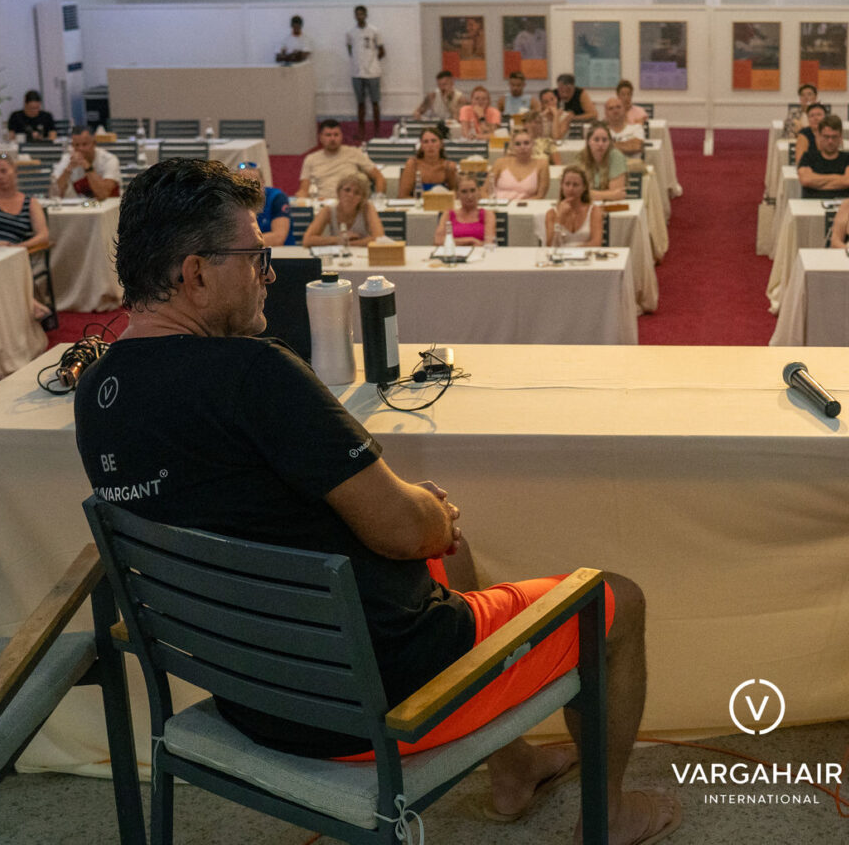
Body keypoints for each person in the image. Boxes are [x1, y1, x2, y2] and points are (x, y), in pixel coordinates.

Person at [72, 158, 678, 845]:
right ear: (196, 274)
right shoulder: (256, 374)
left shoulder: (95, 392)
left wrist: (422, 526)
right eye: (256, 258)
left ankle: (513, 770)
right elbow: (404, 532)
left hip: (249, 692)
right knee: (617, 600)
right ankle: (609, 818)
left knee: (454, 558)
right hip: (370, 702)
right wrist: (431, 513)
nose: (269, 275)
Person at [297, 119, 384, 200]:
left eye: (336, 135)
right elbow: (304, 190)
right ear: (320, 137)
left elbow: (378, 177)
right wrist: (302, 197)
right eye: (328, 135)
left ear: (341, 136)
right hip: (323, 203)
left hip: (351, 202)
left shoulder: (354, 153)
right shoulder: (311, 159)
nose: (332, 139)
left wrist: (379, 198)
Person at [304, 174, 385, 248]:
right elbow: (307, 240)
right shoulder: (328, 210)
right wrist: (338, 239)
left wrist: (347, 243)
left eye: (357, 193)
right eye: (347, 190)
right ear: (338, 192)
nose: (350, 195)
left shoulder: (367, 208)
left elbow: (379, 238)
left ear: (362, 198)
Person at [796, 115, 849, 200]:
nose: (830, 141)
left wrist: (816, 181)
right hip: (811, 203)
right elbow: (806, 180)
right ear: (819, 137)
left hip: (842, 204)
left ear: (840, 137)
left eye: (834, 137)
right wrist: (840, 179)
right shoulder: (808, 157)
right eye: (826, 137)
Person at [346, 5, 385, 141]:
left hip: (373, 73)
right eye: (357, 14)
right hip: (357, 73)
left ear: (366, 15)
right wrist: (359, 63)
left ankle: (377, 131)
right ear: (354, 16)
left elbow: (382, 51)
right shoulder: (350, 33)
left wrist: (372, 62)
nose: (359, 16)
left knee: (375, 102)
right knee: (360, 103)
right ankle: (361, 131)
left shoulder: (374, 31)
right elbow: (350, 50)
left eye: (362, 14)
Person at [52, 126, 122, 200]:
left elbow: (103, 194)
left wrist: (88, 167)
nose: (80, 149)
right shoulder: (67, 159)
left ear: (94, 143)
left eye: (85, 144)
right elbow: (54, 194)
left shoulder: (109, 159)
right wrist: (68, 170)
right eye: (76, 145)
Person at [546, 165, 605, 248]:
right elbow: (550, 245)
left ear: (584, 187)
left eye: (575, 185)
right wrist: (559, 218)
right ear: (562, 186)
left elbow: (596, 243)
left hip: (586, 254)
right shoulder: (551, 213)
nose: (571, 188)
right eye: (567, 184)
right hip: (560, 255)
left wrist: (572, 251)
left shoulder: (594, 211)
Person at [398, 125, 461, 199]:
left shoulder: (449, 167)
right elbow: (402, 196)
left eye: (433, 141)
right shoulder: (413, 164)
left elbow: (457, 195)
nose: (430, 145)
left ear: (441, 144)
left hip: (442, 204)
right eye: (426, 142)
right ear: (421, 145)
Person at [489, 130, 550, 201]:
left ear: (533, 145)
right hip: (499, 204)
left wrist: (517, 204)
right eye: (518, 144)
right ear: (512, 147)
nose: (522, 147)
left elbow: (540, 196)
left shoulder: (542, 164)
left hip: (526, 206)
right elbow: (485, 190)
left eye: (526, 143)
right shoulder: (500, 162)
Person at [575, 124, 628, 202]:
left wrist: (588, 194)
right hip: (586, 204)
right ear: (588, 141)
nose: (600, 144)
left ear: (609, 142)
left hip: (611, 204)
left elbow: (617, 194)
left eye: (604, 140)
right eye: (596, 140)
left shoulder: (616, 157)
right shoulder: (580, 157)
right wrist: (610, 195)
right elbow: (576, 192)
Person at [243, 164, 293, 246]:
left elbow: (278, 238)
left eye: (254, 182)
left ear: (263, 182)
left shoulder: (277, 198)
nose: (249, 188)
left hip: (281, 251)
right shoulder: (233, 200)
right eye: (243, 182)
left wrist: (242, 244)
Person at [434, 175, 491, 248]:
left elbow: (489, 243)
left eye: (473, 190)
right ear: (457, 194)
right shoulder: (448, 214)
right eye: (464, 192)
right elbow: (438, 240)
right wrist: (471, 240)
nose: (469, 196)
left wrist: (455, 242)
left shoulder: (487, 215)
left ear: (479, 191)